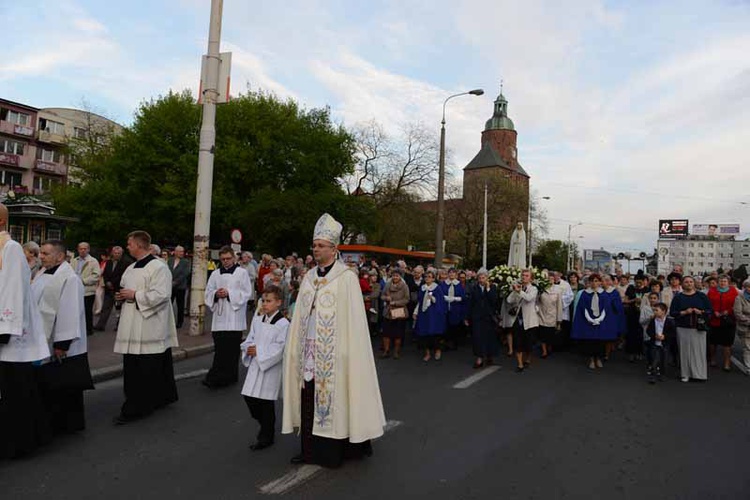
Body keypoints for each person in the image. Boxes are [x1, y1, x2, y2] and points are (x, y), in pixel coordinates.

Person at [282, 213, 385, 469]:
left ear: (333, 249)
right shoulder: (309, 278)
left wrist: (346, 352)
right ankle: (308, 450)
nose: (316, 249)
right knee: (309, 400)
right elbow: (300, 317)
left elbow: (354, 324)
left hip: (335, 353)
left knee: (334, 399)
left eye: (320, 246)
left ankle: (333, 451)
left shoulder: (346, 278)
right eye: (314, 245)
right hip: (309, 351)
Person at [0, 203, 52, 459]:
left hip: (10, 336)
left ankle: (22, 442)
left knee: (16, 392)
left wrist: (4, 329)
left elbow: (13, 289)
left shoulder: (9, 249)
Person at [113, 230, 179, 424]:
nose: (127, 247)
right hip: (131, 322)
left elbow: (162, 295)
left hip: (149, 323)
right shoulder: (131, 267)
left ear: (140, 245)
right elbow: (125, 289)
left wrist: (134, 295)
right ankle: (154, 398)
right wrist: (121, 296)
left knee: (147, 366)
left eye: (130, 244)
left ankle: (139, 406)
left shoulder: (158, 267)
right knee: (133, 365)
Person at [32, 240, 94, 434]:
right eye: (40, 253)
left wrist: (62, 344)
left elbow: (70, 312)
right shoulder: (42, 273)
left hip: (63, 343)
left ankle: (69, 425)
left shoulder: (69, 278)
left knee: (66, 385)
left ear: (59, 256)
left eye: (45, 253)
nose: (40, 256)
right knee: (51, 385)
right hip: (43, 338)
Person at [240, 285, 289, 451]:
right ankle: (264, 425)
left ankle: (266, 436)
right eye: (263, 300)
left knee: (266, 404)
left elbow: (280, 348)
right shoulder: (258, 319)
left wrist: (259, 352)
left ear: (278, 303)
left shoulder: (283, 324)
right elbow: (249, 339)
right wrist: (248, 348)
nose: (265, 304)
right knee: (250, 398)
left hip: (270, 369)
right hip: (256, 365)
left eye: (269, 301)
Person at [202, 246, 253, 389]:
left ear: (234, 258)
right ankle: (217, 376)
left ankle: (230, 376)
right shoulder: (215, 274)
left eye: (228, 258)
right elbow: (208, 292)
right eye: (223, 259)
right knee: (220, 348)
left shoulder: (241, 273)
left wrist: (229, 293)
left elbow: (246, 293)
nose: (225, 261)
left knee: (231, 349)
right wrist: (216, 294)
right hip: (219, 317)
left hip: (234, 317)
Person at [572, 274, 619, 370]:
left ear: (600, 282)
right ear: (589, 282)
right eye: (592, 281)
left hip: (601, 322)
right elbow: (582, 308)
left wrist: (599, 319)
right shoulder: (585, 294)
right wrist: (589, 318)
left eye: (597, 281)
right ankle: (591, 359)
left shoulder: (604, 294)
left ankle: (598, 358)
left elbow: (606, 309)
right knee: (590, 341)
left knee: (600, 341)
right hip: (588, 322)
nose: (594, 283)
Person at [669, 276, 712, 382]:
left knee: (699, 351)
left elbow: (709, 310)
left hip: (699, 327)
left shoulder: (701, 296)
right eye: (686, 282)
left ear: (694, 283)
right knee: (684, 352)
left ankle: (699, 374)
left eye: (691, 282)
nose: (689, 284)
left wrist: (701, 312)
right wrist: (684, 312)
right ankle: (685, 374)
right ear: (682, 284)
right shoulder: (678, 297)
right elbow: (672, 313)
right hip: (683, 327)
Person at [507, 269, 539, 372]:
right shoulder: (519, 287)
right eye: (523, 275)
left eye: (526, 276)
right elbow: (509, 300)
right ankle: (520, 364)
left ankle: (528, 359)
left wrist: (519, 291)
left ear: (531, 278)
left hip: (529, 321)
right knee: (518, 342)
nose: (524, 277)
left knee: (529, 343)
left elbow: (529, 298)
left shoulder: (533, 289)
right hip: (518, 319)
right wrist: (514, 291)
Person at [466, 268, 498, 368]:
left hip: (489, 317)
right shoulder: (474, 288)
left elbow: (494, 301)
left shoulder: (492, 287)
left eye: (483, 277)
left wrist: (488, 289)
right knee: (478, 337)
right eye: (479, 278)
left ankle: (489, 356)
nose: (481, 279)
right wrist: (467, 317)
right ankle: (479, 358)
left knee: (489, 337)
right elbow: (470, 303)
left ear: (487, 278)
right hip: (477, 317)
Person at [707, 274, 739, 372]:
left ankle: (727, 363)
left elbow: (736, 304)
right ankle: (712, 359)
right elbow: (708, 303)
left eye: (725, 281)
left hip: (728, 320)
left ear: (728, 282)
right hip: (714, 319)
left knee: (727, 343)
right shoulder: (712, 291)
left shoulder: (734, 291)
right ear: (718, 282)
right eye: (721, 281)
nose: (722, 283)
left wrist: (728, 311)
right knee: (712, 342)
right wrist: (714, 311)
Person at [413, 270, 447, 362]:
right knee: (424, 334)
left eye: (429, 277)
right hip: (424, 314)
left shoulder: (437, 288)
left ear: (433, 278)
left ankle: (437, 350)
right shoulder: (422, 287)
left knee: (434, 333)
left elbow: (440, 301)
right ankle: (427, 353)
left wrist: (432, 298)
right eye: (426, 277)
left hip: (433, 314)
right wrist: (415, 312)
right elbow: (420, 302)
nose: (427, 278)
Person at [94, 246, 129, 331]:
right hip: (108, 289)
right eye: (115, 253)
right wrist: (107, 282)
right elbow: (105, 274)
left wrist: (112, 283)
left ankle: (119, 326)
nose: (116, 255)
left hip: (119, 289)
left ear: (121, 253)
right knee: (105, 308)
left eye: (118, 253)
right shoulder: (108, 262)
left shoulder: (126, 263)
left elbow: (123, 275)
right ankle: (100, 325)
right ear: (112, 253)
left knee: (119, 309)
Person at [72, 242, 101, 336]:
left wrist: (83, 280)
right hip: (75, 290)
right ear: (78, 249)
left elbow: (96, 275)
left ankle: (88, 330)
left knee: (87, 311)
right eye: (81, 248)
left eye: (85, 248)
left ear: (88, 249)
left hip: (87, 291)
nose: (83, 250)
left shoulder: (93, 261)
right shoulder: (74, 260)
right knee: (77, 311)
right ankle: (78, 329)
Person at [381, 269, 409, 359]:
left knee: (398, 334)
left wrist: (396, 303)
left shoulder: (404, 286)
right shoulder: (387, 285)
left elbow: (407, 299)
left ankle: (396, 352)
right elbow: (382, 296)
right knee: (386, 333)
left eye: (397, 276)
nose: (395, 277)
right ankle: (386, 351)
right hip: (388, 311)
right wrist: (386, 298)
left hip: (399, 311)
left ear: (400, 277)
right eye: (393, 275)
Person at [645, 303, 675, 384]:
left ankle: (662, 374)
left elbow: (672, 333)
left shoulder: (669, 321)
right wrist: (654, 336)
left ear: (663, 311)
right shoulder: (653, 321)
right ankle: (653, 375)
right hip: (655, 343)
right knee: (655, 359)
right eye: (654, 310)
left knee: (664, 360)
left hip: (665, 344)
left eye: (657, 310)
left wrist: (665, 337)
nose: (655, 312)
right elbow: (648, 330)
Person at [537, 281, 563, 359]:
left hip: (552, 316)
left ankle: (549, 347)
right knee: (543, 334)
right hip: (542, 315)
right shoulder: (541, 290)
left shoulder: (558, 291)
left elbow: (559, 305)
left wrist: (559, 319)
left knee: (550, 334)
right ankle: (544, 351)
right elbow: (537, 302)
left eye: (551, 279)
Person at [168, 245, 191, 329]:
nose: (182, 253)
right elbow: (167, 270)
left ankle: (179, 322)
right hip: (170, 286)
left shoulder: (186, 262)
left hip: (180, 287)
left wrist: (175, 282)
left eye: (183, 251)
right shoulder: (170, 260)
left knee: (180, 305)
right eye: (180, 251)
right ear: (175, 252)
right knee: (168, 304)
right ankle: (168, 321)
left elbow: (185, 273)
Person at [734, 279, 750, 373]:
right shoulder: (739, 298)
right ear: (744, 287)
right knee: (747, 347)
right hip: (745, 326)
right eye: (748, 286)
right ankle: (748, 366)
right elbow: (738, 313)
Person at [366, 270, 381, 336]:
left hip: (374, 305)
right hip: (365, 305)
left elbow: (376, 294)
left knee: (373, 320)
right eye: (373, 276)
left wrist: (367, 297)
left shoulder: (377, 285)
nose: (375, 277)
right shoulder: (365, 284)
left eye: (376, 276)